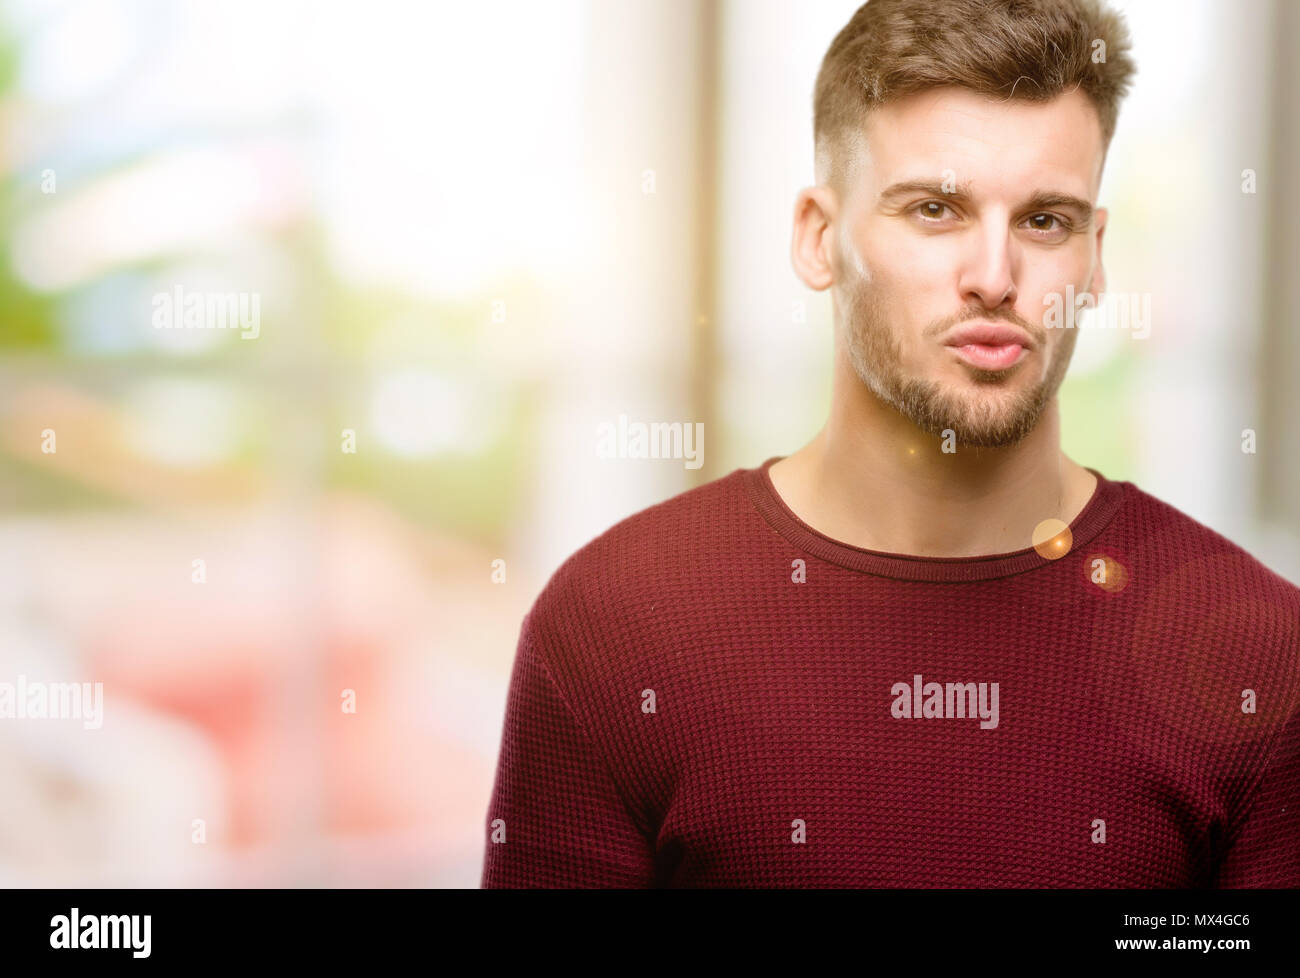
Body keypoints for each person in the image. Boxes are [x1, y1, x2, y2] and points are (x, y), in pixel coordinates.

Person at [481, 0, 1300, 887]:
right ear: (818, 236)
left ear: (1094, 257)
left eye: (1045, 221)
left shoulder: (1262, 655)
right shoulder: (614, 627)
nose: (995, 278)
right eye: (936, 209)